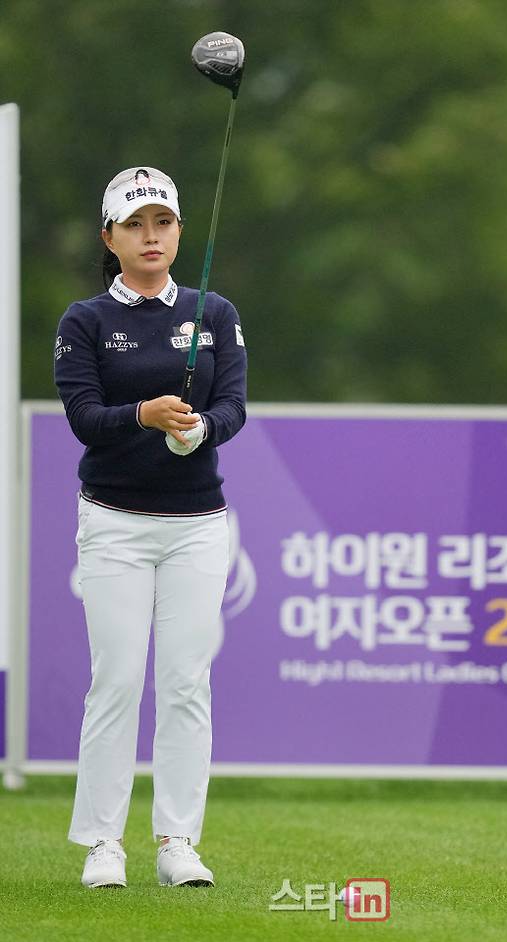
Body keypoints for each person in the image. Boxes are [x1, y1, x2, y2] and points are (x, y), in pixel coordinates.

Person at [54, 166, 247, 889]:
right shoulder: (85, 321)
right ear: (110, 238)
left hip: (197, 523)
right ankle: (103, 843)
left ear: (179, 232)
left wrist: (199, 430)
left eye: (162, 222)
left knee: (185, 682)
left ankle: (177, 841)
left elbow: (233, 406)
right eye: (134, 224)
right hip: (114, 522)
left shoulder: (214, 312)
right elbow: (85, 419)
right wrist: (145, 414)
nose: (150, 235)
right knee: (116, 681)